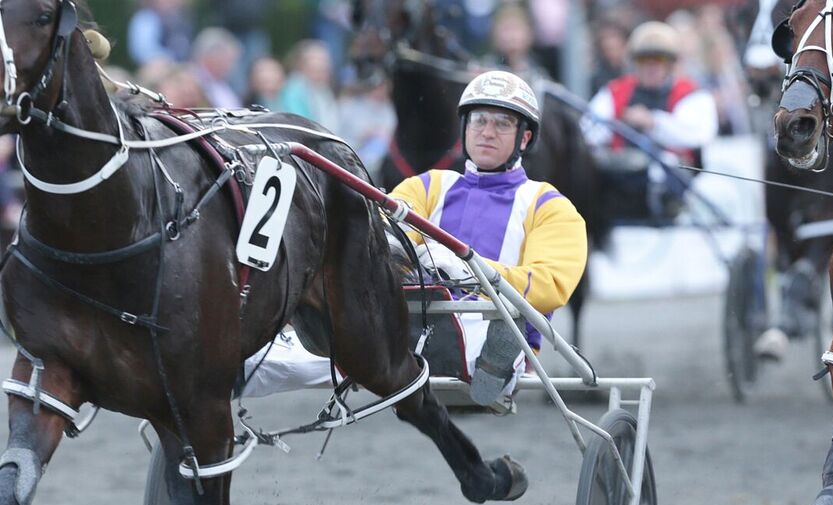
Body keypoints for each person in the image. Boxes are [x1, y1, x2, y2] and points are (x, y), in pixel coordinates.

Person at [242, 70, 587, 408]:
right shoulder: (429, 185)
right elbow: (382, 235)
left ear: (524, 138)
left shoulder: (549, 205)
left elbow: (549, 285)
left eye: (502, 124)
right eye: (479, 121)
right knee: (287, 356)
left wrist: (471, 270)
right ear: (464, 128)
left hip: (489, 321)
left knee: (472, 336)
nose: (487, 132)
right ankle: (241, 367)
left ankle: (494, 359)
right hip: (405, 322)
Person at [586, 20, 719, 221]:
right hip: (621, 183)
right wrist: (614, 128)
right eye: (644, 60)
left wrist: (653, 122)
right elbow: (589, 132)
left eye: (658, 59)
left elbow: (699, 135)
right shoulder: (613, 93)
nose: (651, 66)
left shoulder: (692, 95)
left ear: (670, 64)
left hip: (674, 192)